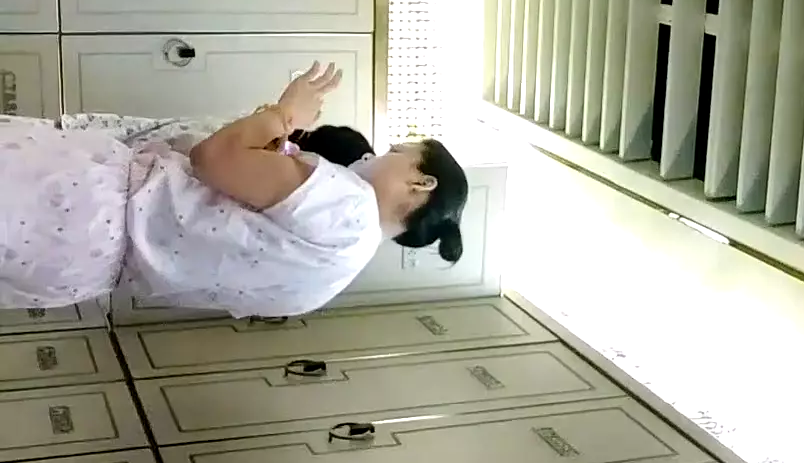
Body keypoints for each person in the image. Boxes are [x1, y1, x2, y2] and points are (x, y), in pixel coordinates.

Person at [0, 65, 468, 317]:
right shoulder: (321, 288)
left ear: (421, 182)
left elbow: (212, 159)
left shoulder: (351, 210)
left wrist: (287, 113)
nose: (372, 156)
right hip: (82, 272)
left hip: (81, 202)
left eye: (396, 151)